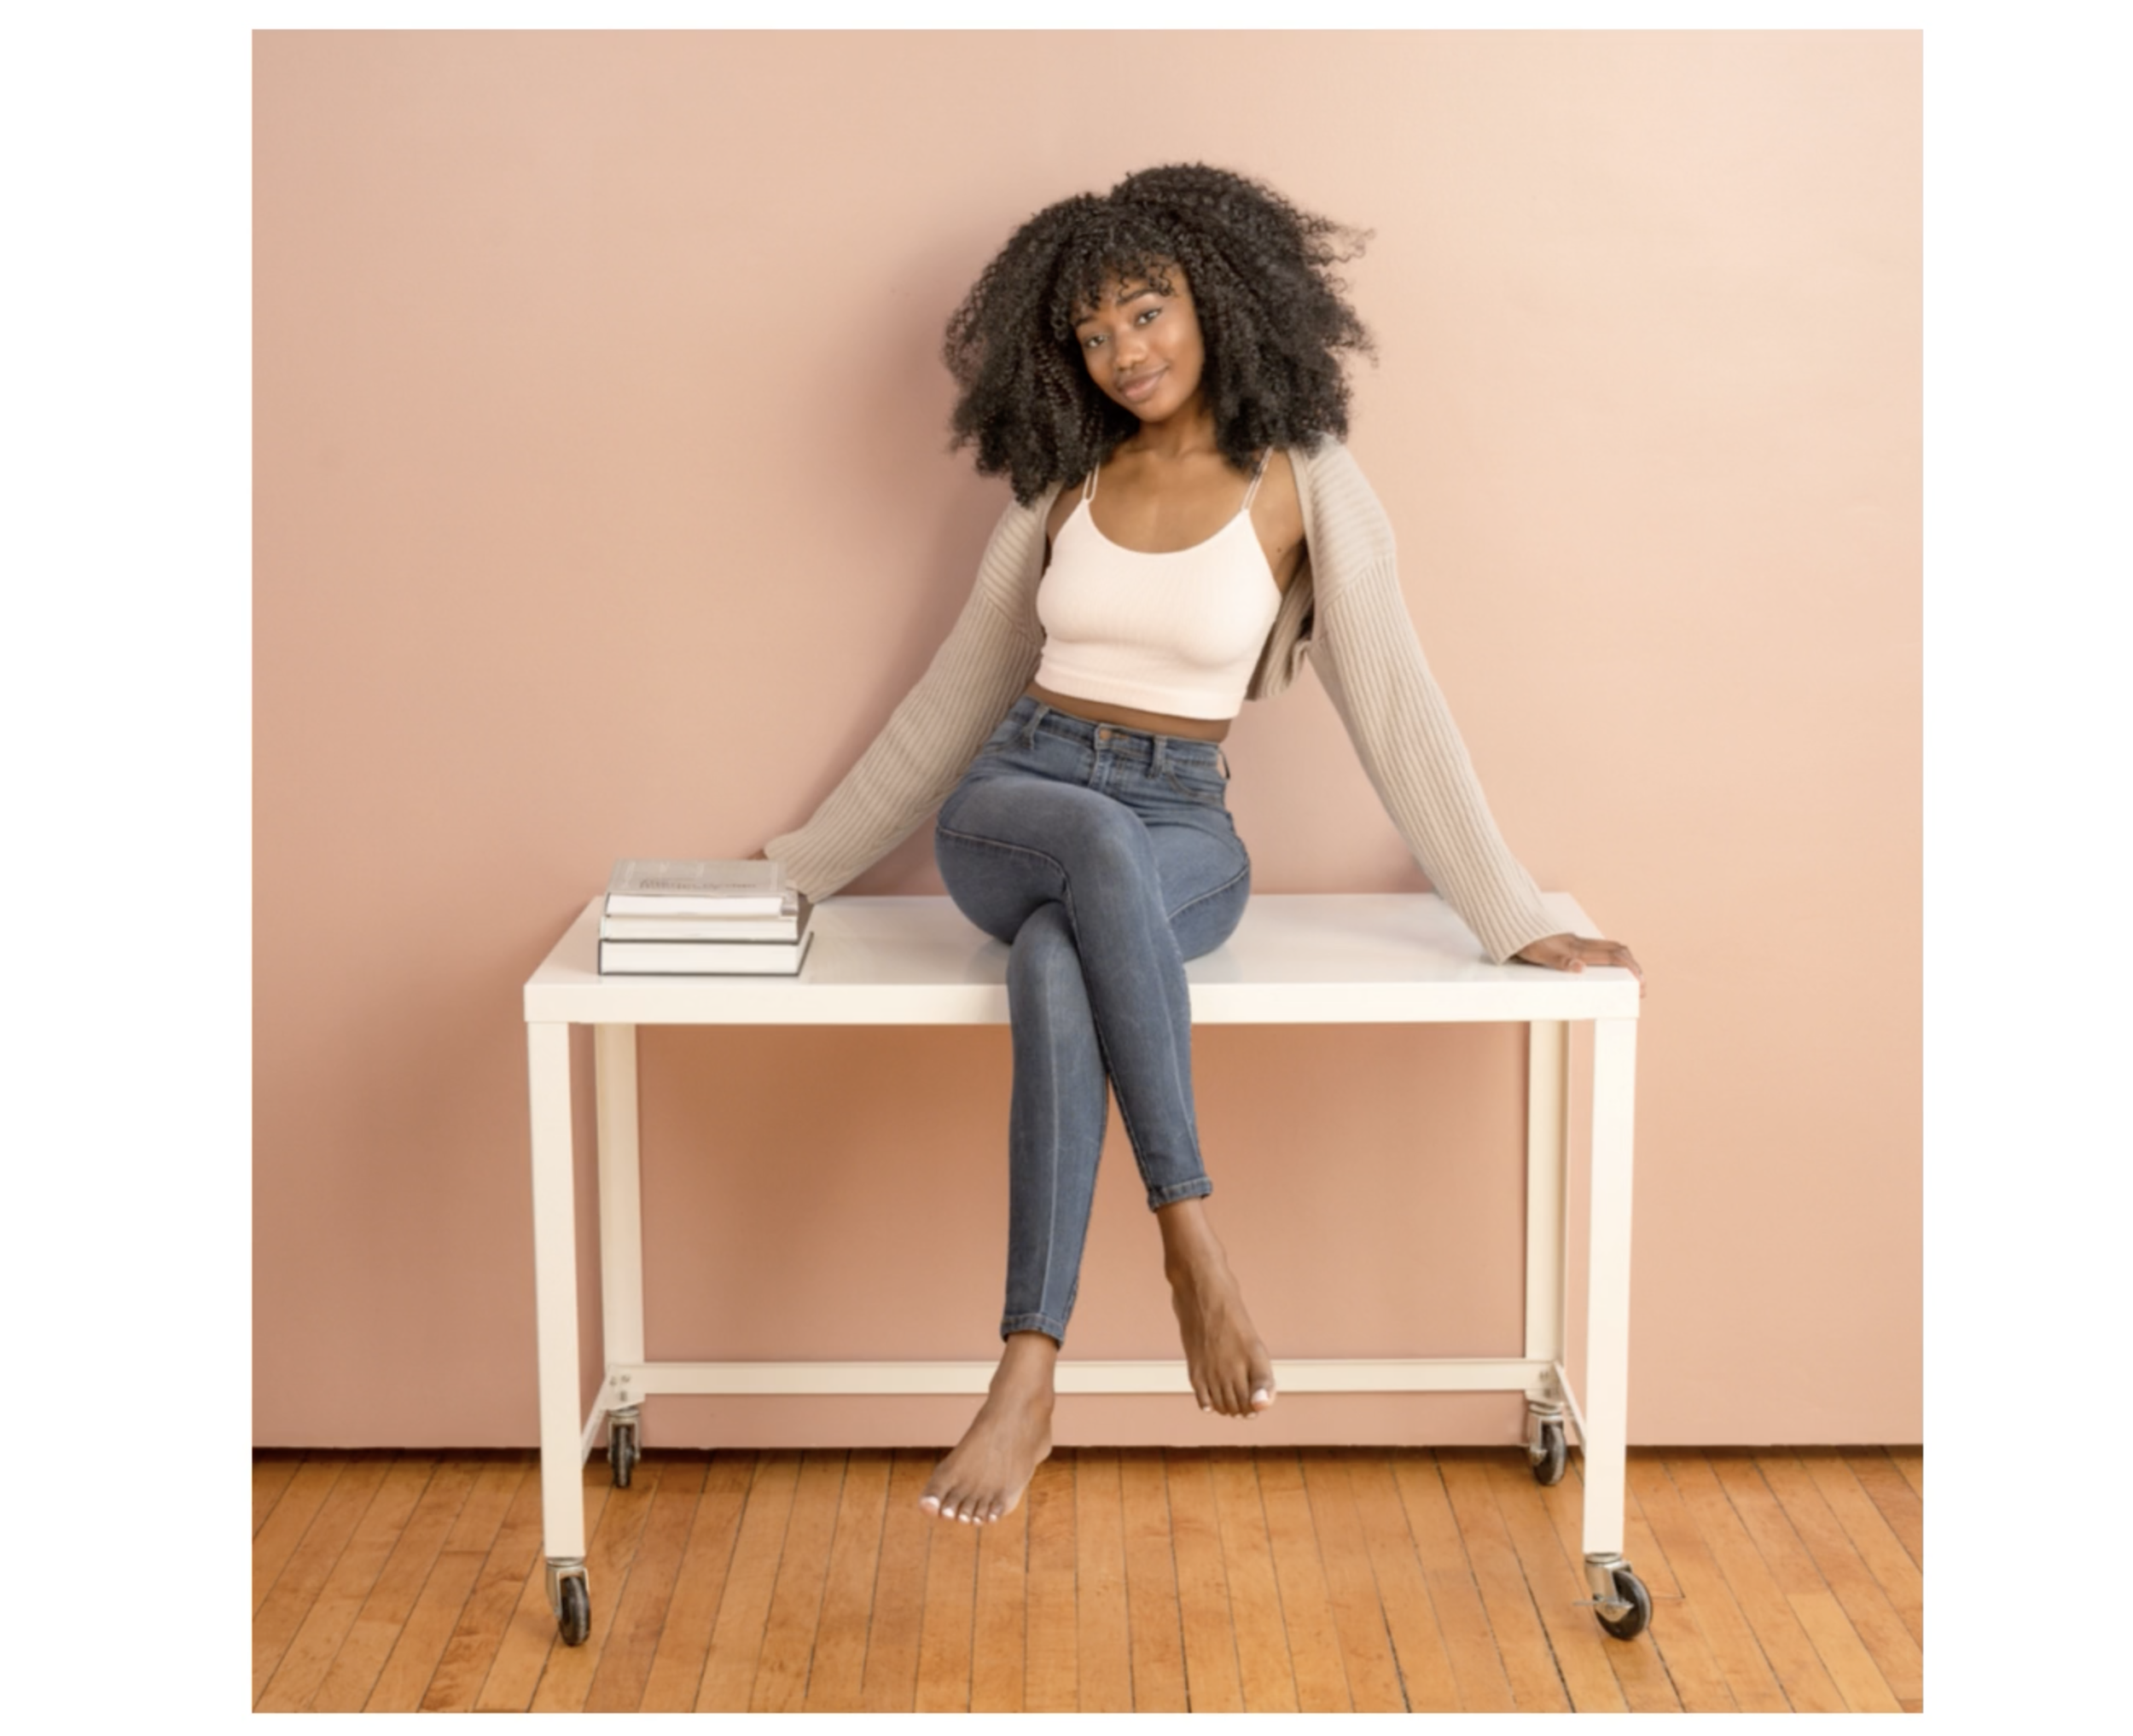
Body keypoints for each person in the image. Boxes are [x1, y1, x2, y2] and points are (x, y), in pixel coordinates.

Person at [753, 164, 1643, 1529]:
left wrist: (1507, 908)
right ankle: (1193, 1242)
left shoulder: (1309, 483)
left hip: (1184, 828)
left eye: (1147, 311)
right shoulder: (1063, 475)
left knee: (1063, 958)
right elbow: (951, 699)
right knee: (1078, 854)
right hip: (1019, 798)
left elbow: (1393, 696)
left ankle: (1027, 1368)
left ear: (1216, 298)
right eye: (1094, 334)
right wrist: (787, 876)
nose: (1125, 353)